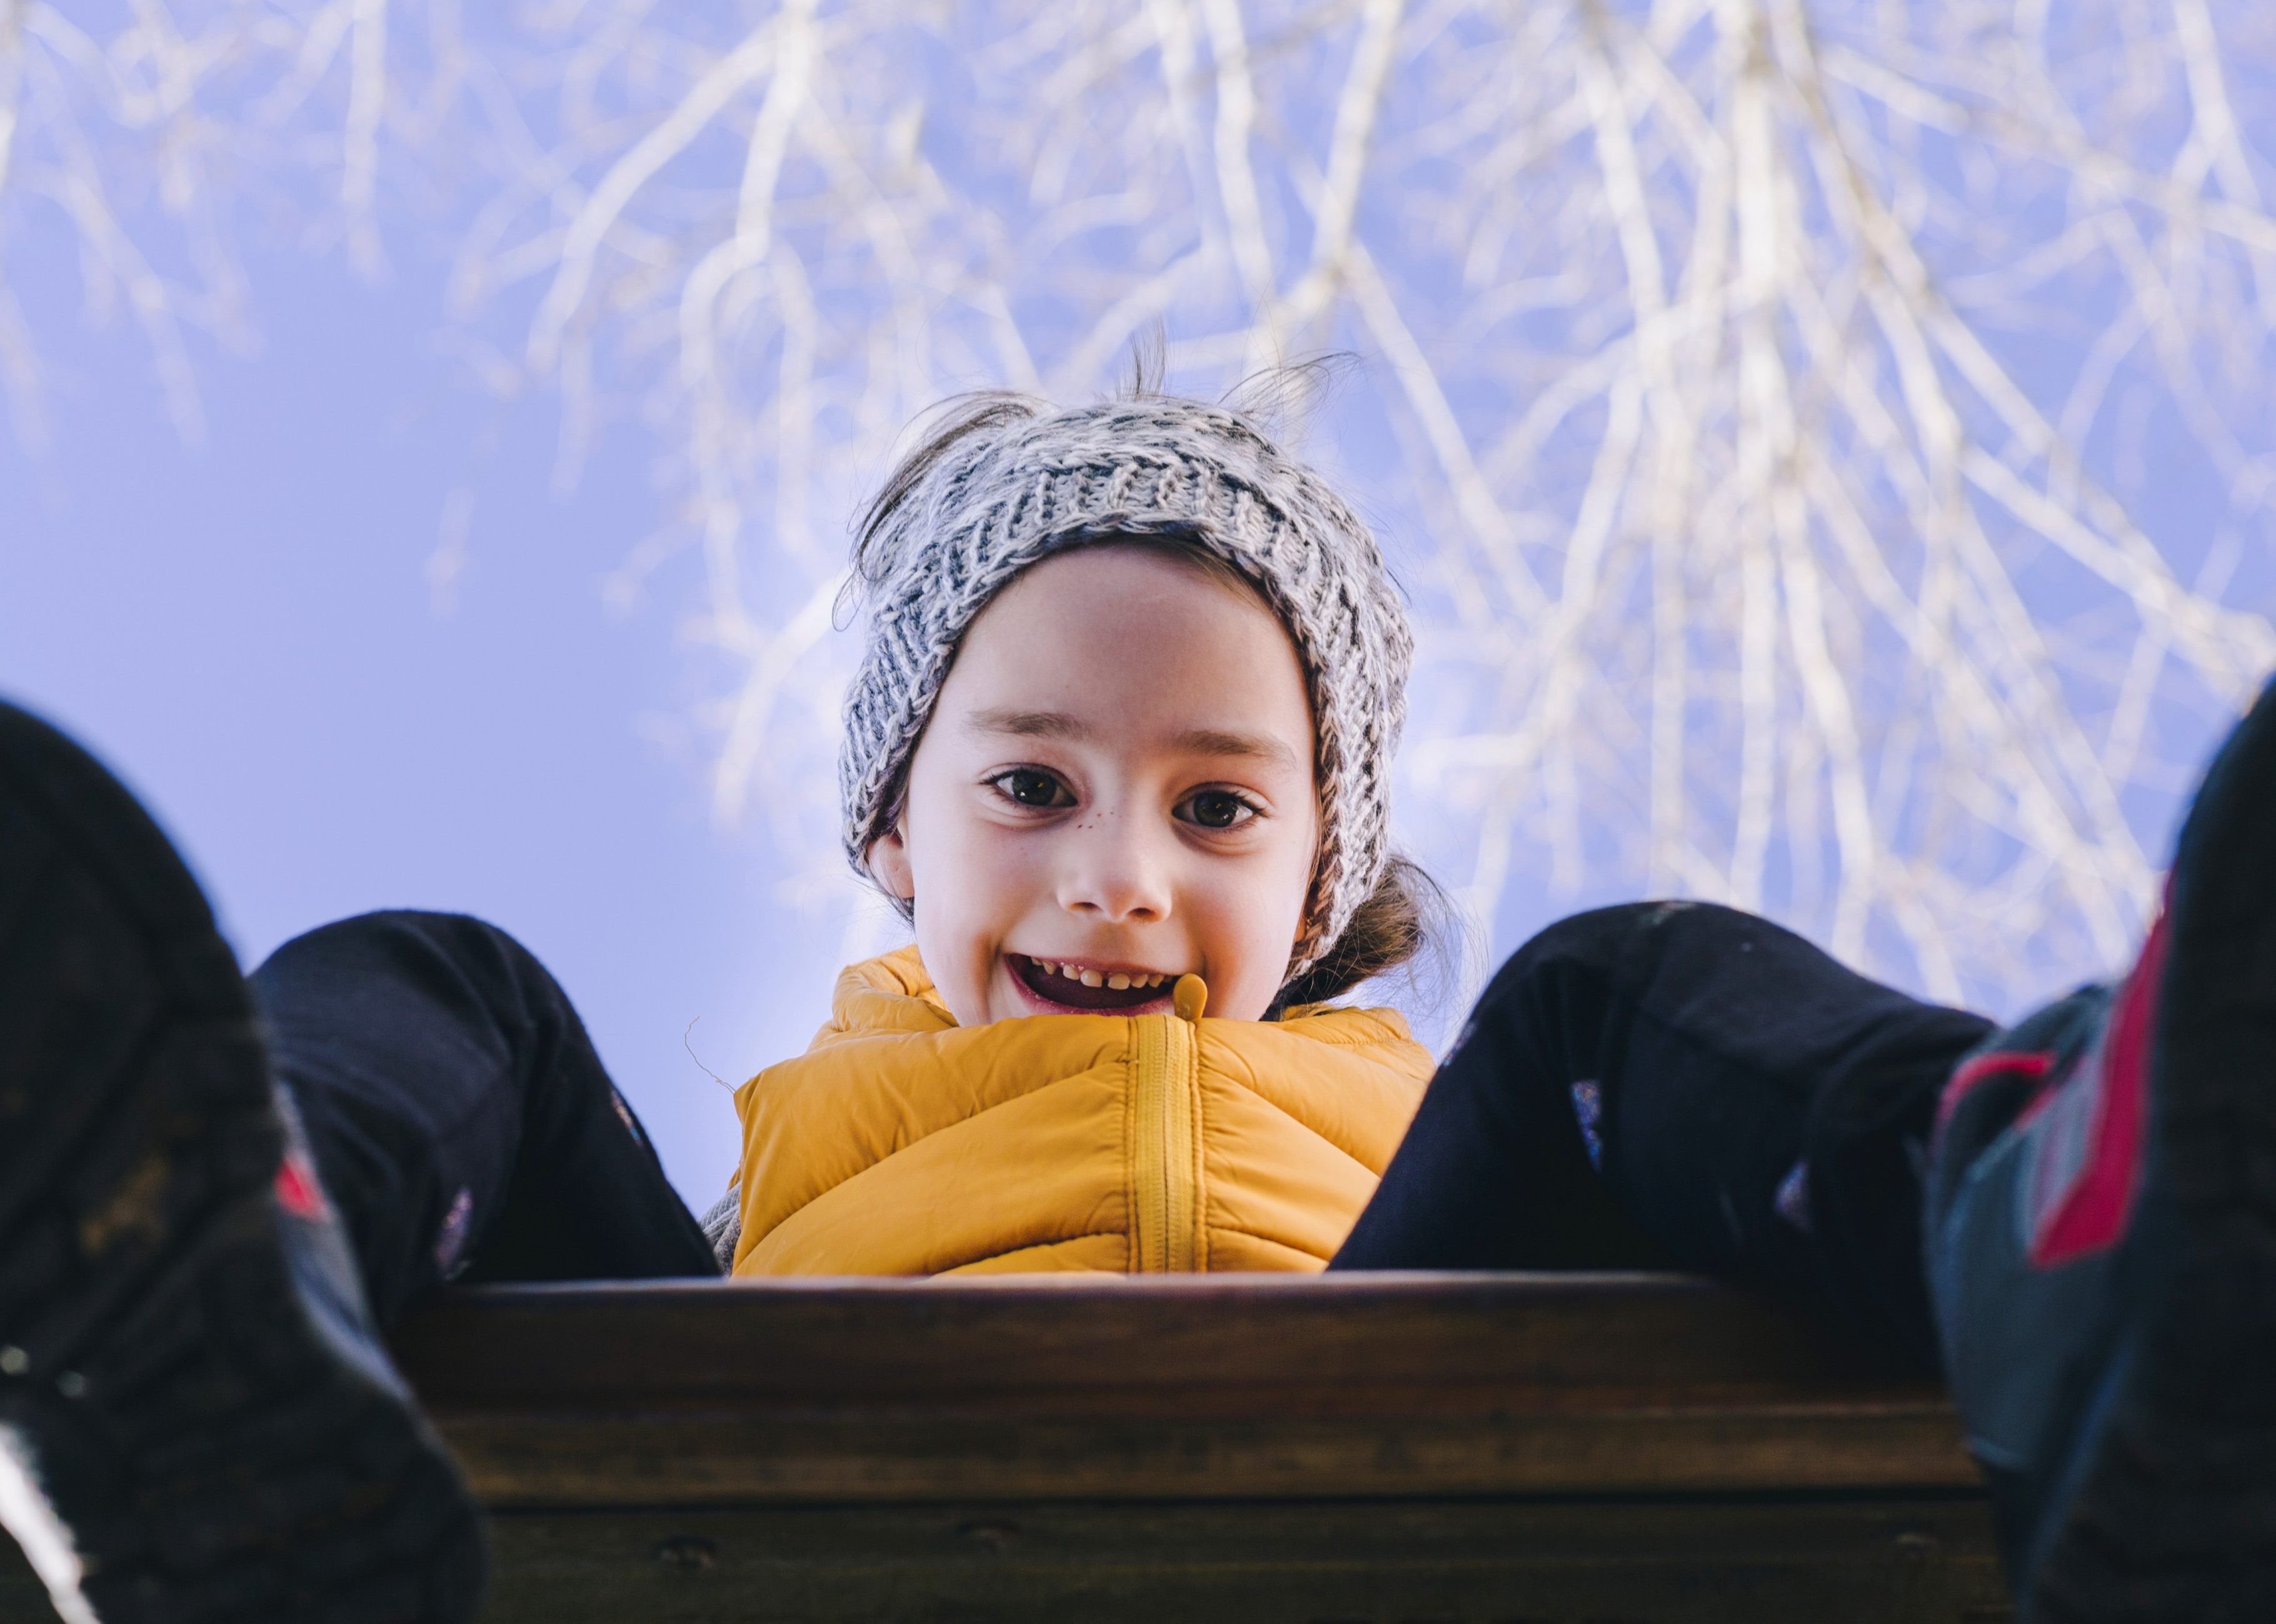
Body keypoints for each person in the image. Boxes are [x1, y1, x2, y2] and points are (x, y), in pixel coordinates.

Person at [0, 383, 2266, 1624]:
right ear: (895, 828)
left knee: (1610, 994)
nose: (1116, 867)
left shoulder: (1463, 1129)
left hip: (1384, 1398)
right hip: (777, 1431)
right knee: (455, 988)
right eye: (1028, 781)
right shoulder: (807, 1138)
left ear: (1317, 875)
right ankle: (206, 1295)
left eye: (1216, 805)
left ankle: (2079, 1239)